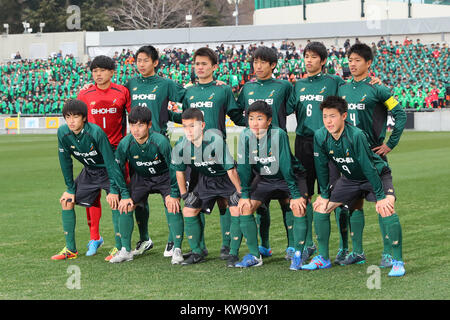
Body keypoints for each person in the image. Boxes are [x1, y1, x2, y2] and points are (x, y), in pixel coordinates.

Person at [287, 41, 383, 265]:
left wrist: (373, 81)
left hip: (331, 143)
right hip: (303, 143)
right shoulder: (297, 85)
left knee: (337, 195)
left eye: (313, 57)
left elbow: (356, 88)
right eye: (306, 57)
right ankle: (310, 243)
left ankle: (343, 247)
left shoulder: (336, 82)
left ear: (323, 61)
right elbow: (284, 108)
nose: (308, 61)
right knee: (306, 195)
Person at [308, 96, 405, 277]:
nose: (328, 121)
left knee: (386, 209)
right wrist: (323, 194)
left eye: (333, 116)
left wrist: (381, 196)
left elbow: (368, 168)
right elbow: (321, 167)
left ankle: (398, 261)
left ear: (344, 116)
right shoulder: (320, 135)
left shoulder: (356, 135)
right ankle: (323, 258)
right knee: (321, 208)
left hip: (376, 175)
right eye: (325, 116)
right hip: (350, 179)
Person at [338, 43, 406, 267]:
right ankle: (357, 252)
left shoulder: (379, 89)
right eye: (350, 60)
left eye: (358, 60)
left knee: (382, 203)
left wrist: (389, 144)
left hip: (374, 156)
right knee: (353, 204)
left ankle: (388, 253)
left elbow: (400, 114)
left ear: (368, 63)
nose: (353, 64)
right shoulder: (343, 90)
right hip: (350, 159)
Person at [178, 47, 246, 259]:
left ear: (214, 67)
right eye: (197, 64)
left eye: (204, 64)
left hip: (218, 152)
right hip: (195, 156)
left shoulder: (223, 90)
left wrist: (257, 126)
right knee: (195, 200)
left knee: (226, 200)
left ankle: (227, 246)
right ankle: (199, 248)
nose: (200, 67)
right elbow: (185, 117)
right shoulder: (188, 91)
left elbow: (235, 114)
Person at [236, 46, 295, 259]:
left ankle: (292, 246)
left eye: (263, 62)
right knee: (260, 202)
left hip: (279, 150)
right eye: (255, 62)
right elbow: (237, 112)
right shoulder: (247, 89)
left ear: (272, 65)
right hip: (255, 153)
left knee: (287, 201)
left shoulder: (284, 86)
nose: (258, 66)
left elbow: (296, 106)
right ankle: (265, 246)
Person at [52, 99, 129, 261]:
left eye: (75, 117)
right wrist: (70, 188)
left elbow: (110, 162)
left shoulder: (95, 132)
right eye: (68, 117)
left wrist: (114, 189)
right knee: (66, 200)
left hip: (108, 170)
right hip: (90, 171)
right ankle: (71, 250)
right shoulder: (63, 133)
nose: (71, 121)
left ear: (84, 118)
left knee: (115, 201)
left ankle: (119, 247)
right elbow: (65, 161)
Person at [236, 101, 308, 269]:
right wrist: (245, 194)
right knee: (245, 208)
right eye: (251, 118)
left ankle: (298, 254)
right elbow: (244, 167)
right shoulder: (245, 136)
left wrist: (295, 194)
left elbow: (285, 164)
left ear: (269, 121)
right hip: (265, 179)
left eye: (259, 118)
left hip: (289, 177)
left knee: (298, 207)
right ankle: (255, 255)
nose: (254, 123)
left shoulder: (278, 134)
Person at [171, 108, 242, 265]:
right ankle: (197, 252)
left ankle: (233, 253)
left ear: (202, 125)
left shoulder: (215, 141)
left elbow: (231, 169)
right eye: (185, 126)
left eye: (192, 126)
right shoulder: (181, 145)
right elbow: (179, 173)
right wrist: (184, 195)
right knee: (189, 209)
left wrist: (239, 191)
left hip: (225, 178)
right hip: (205, 180)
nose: (188, 131)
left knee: (235, 208)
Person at [113, 106, 184, 264]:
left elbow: (174, 167)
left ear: (149, 125)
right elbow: (117, 170)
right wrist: (124, 195)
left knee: (172, 204)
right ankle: (125, 250)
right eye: (132, 125)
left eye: (140, 125)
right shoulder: (125, 143)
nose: (135, 129)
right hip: (142, 178)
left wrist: (174, 193)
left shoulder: (160, 141)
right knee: (125, 205)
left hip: (164, 177)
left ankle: (177, 248)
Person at [77, 55, 131, 259]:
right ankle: (94, 237)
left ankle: (120, 244)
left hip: (116, 153)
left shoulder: (122, 92)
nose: (97, 74)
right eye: (94, 70)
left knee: (117, 196)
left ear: (111, 72)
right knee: (91, 197)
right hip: (93, 153)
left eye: (101, 70)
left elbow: (132, 117)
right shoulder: (85, 94)